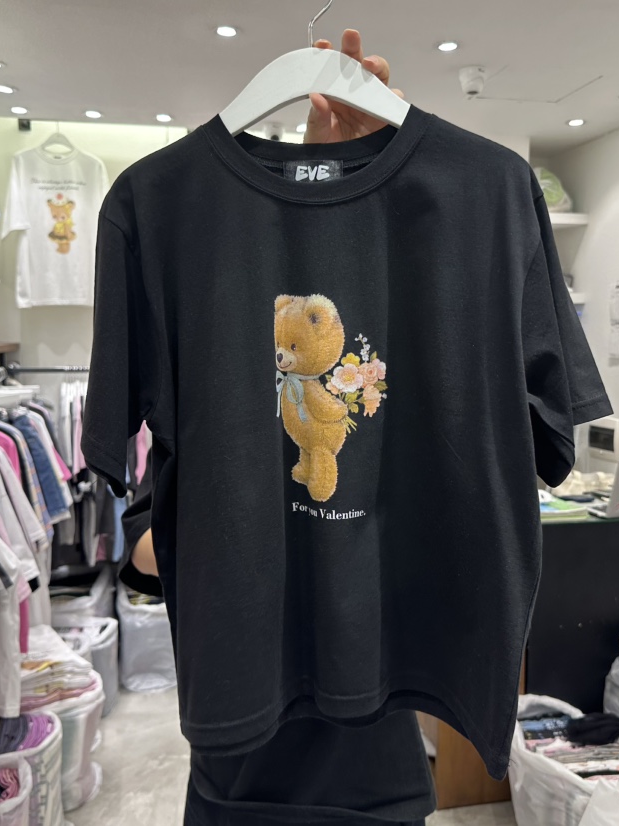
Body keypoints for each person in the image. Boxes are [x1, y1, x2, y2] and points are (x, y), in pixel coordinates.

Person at [121, 31, 436, 826]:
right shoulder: (162, 219)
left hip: (378, 753)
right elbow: (143, 556)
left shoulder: (447, 219)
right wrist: (236, 499)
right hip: (240, 752)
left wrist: (359, 189)